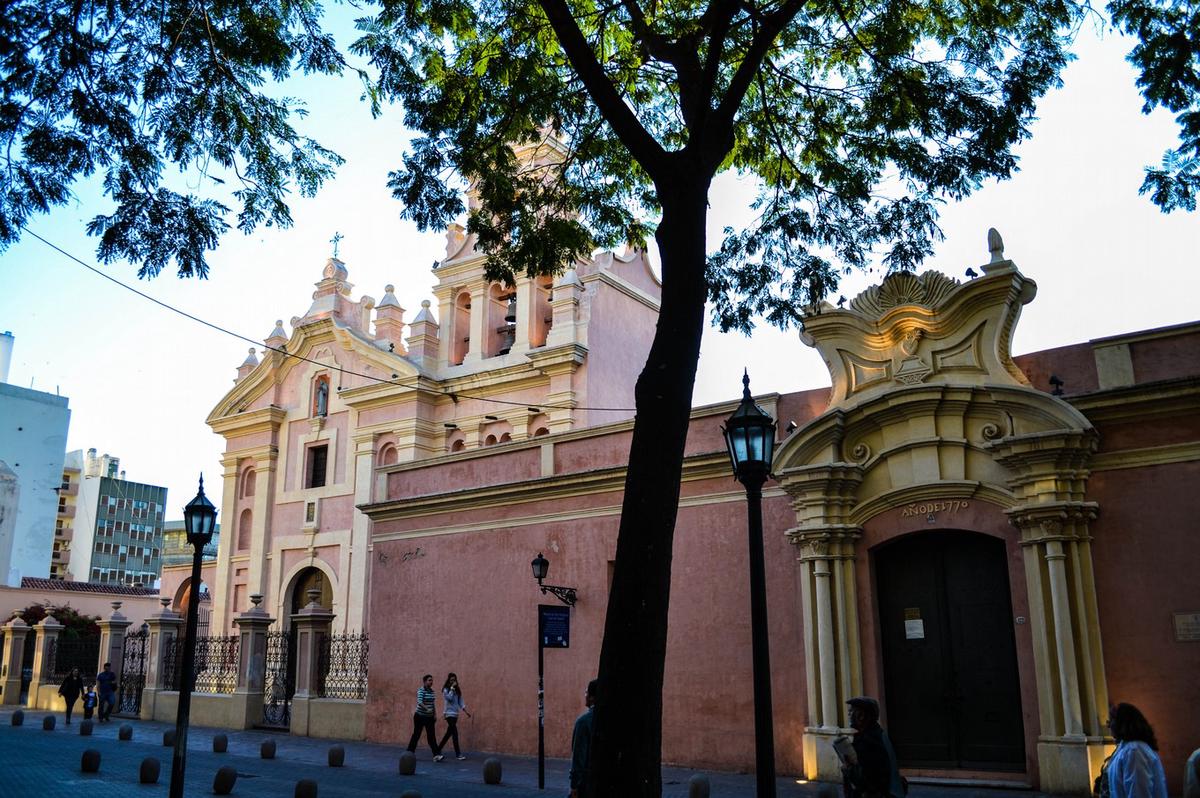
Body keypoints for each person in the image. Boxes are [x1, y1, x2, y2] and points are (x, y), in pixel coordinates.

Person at [840, 696, 906, 798]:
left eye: (851, 711)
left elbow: (866, 779)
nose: (849, 714)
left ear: (861, 716)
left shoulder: (868, 741)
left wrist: (848, 769)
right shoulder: (878, 734)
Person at [1105, 703, 1168, 798]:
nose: (1108, 725)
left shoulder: (1134, 751)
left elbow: (1138, 792)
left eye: (1112, 719)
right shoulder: (1127, 748)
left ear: (1123, 722)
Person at [569, 679, 598, 798]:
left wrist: (574, 785)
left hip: (586, 784)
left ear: (592, 697)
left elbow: (578, 758)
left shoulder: (584, 722)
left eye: (586, 692)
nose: (585, 695)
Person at [406, 673, 442, 761]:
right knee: (416, 735)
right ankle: (409, 753)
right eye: (429, 680)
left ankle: (436, 755)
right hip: (420, 716)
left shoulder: (432, 692)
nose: (431, 682)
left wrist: (435, 714)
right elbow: (420, 702)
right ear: (425, 681)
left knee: (431, 736)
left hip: (429, 718)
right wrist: (427, 709)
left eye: (432, 680)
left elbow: (432, 704)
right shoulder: (421, 690)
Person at [436, 672, 472, 760]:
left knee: (449, 734)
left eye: (454, 680)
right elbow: (449, 698)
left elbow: (460, 702)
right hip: (448, 714)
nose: (453, 681)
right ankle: (458, 754)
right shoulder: (446, 689)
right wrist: (452, 689)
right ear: (448, 680)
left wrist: (465, 711)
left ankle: (437, 749)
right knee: (455, 733)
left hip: (455, 714)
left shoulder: (457, 690)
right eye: (451, 680)